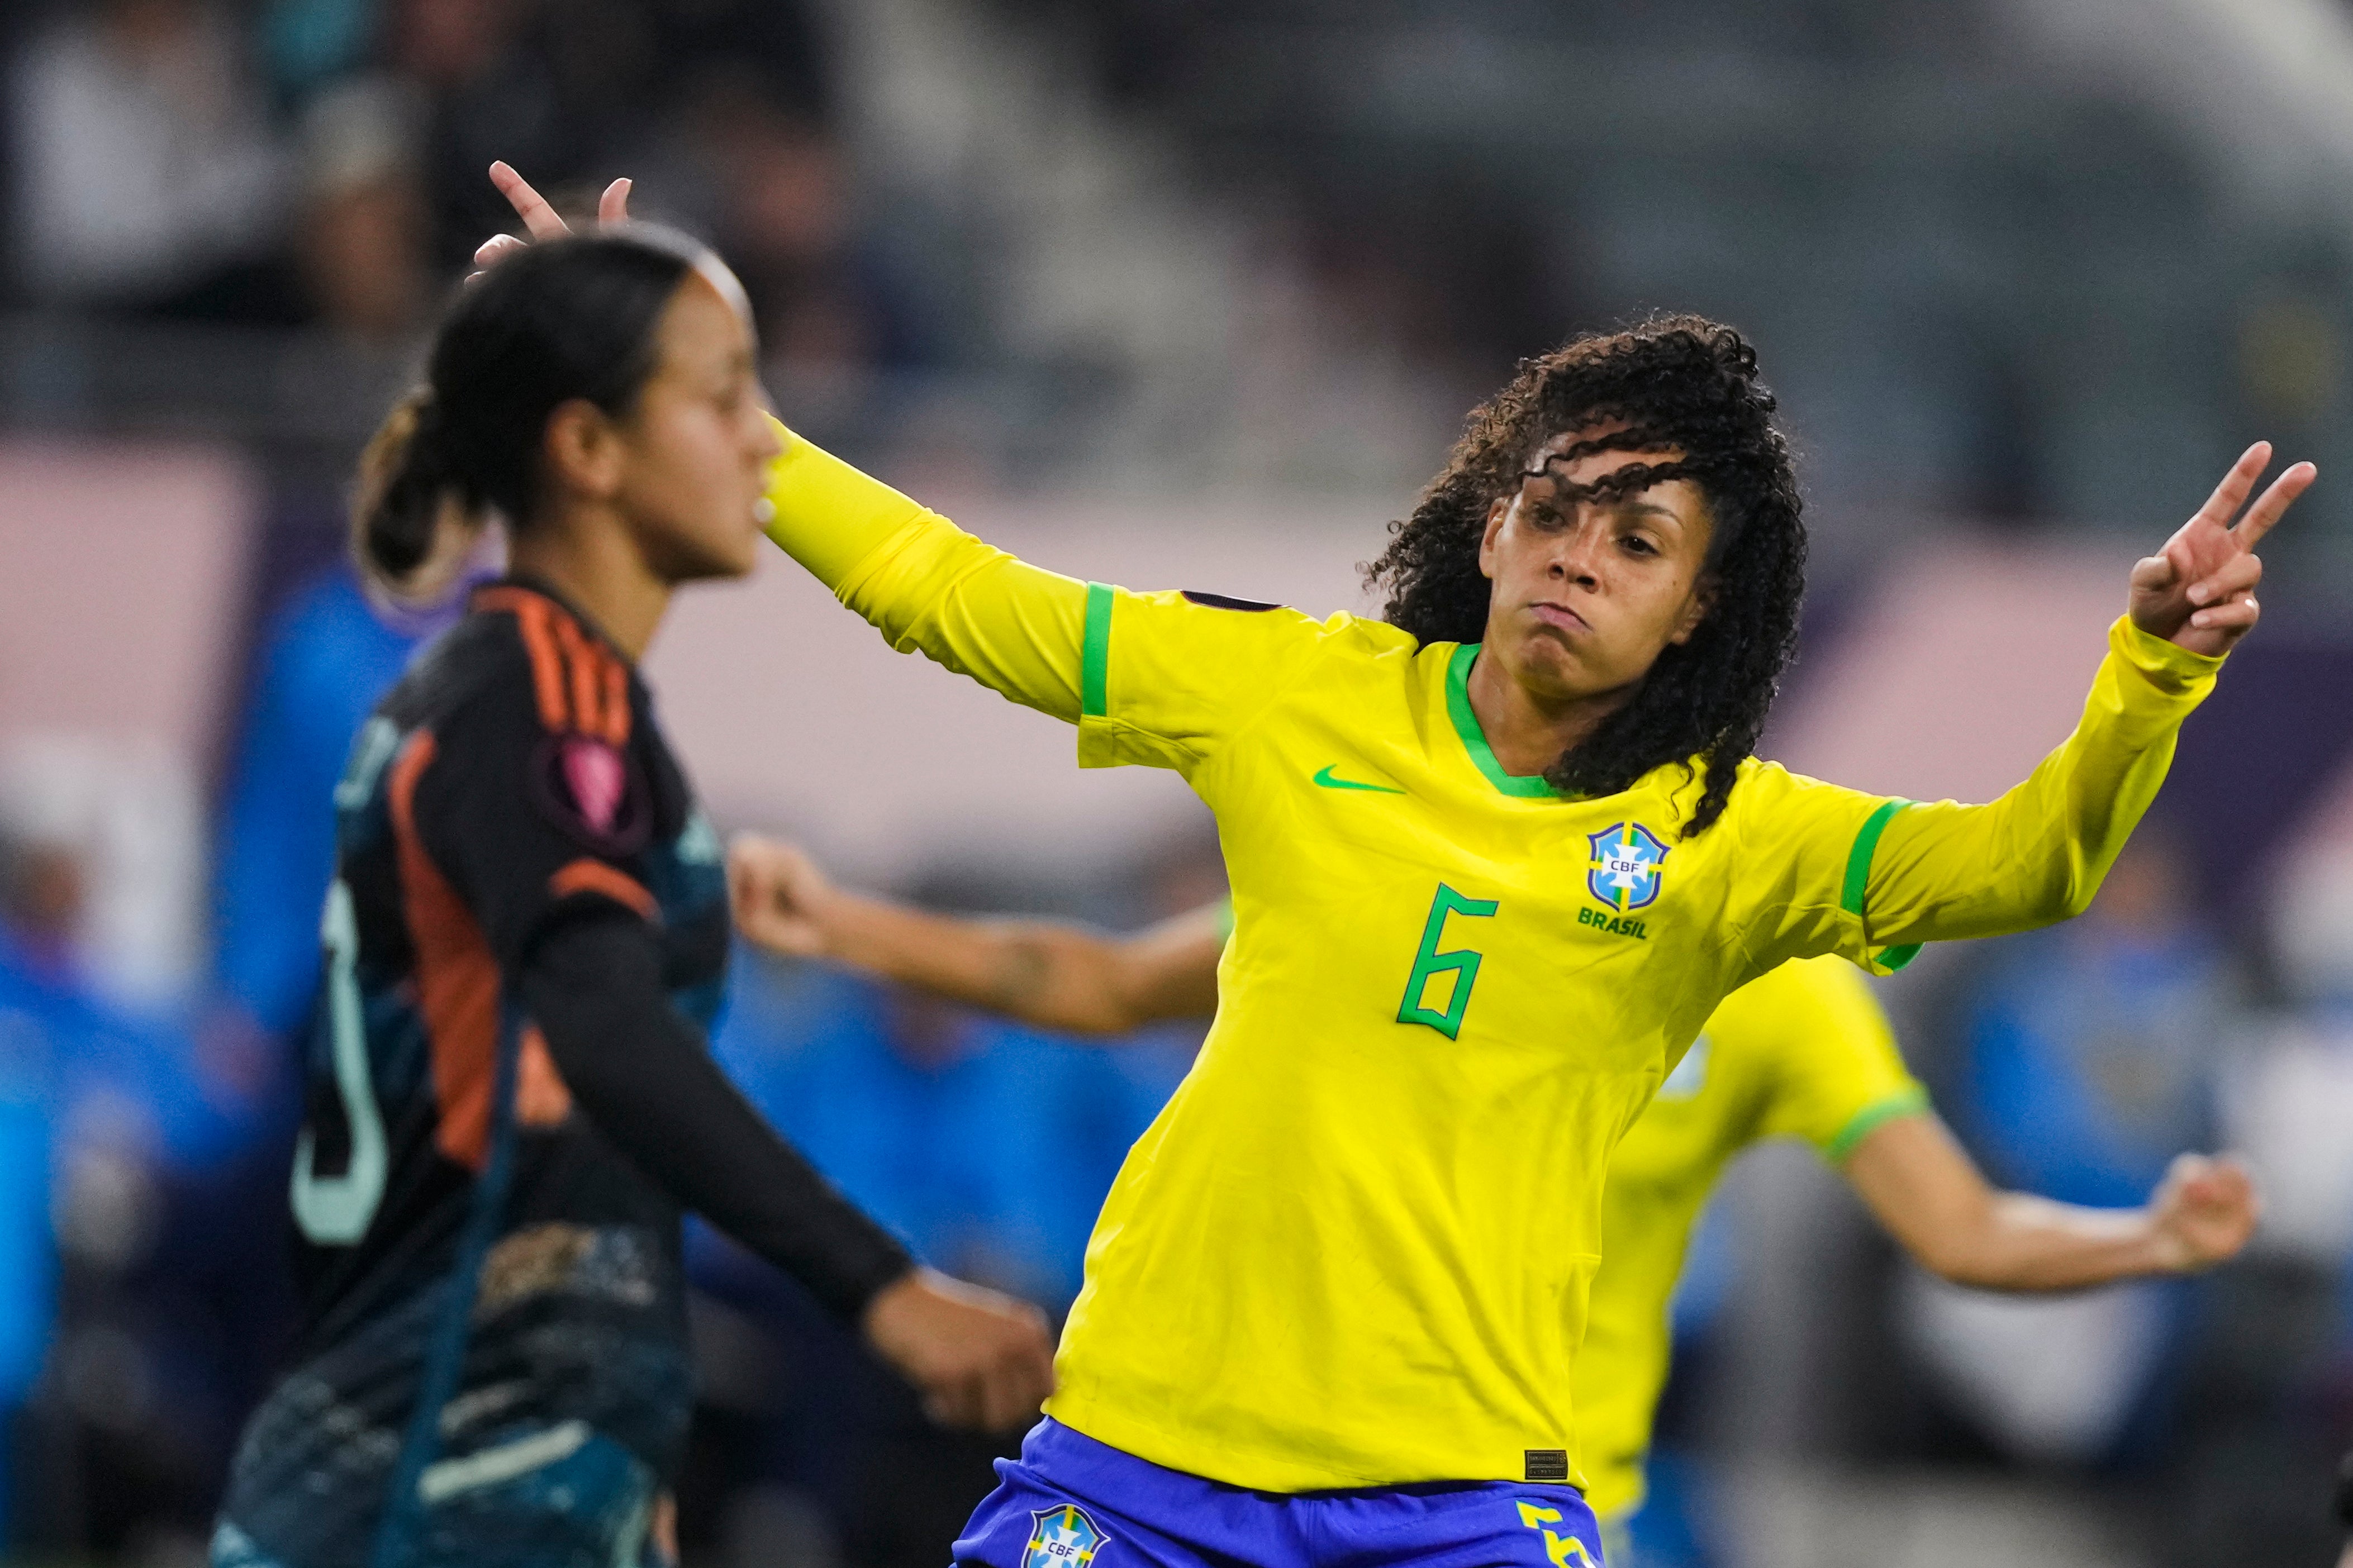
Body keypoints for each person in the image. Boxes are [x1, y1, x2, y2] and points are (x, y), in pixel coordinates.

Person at [483, 165, 2305, 1568]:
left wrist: (2145, 671)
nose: (1577, 551)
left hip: (1450, 1501)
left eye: (1639, 533)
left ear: (1699, 612)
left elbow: (2024, 864)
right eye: (1553, 504)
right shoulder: (1300, 690)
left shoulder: (1731, 841)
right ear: (1487, 523)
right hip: (1142, 1454)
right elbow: (958, 598)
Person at [209, 217, 1054, 1568]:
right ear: (588, 451)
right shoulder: (530, 712)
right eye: (720, 399)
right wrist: (882, 1287)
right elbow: (606, 1039)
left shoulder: (576, 711)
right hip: (438, 1451)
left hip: (511, 1432)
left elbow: (560, 1112)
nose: (764, 441)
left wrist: (619, 1421)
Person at [726, 838, 2260, 1557]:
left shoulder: (1777, 992)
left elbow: (1963, 1227)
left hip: (1528, 1506)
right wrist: (853, 922)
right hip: (1265, 1461)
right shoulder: (1409, 863)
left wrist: (2144, 1237)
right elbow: (1109, 979)